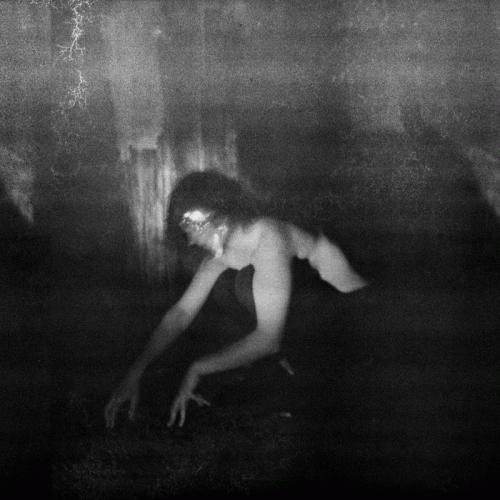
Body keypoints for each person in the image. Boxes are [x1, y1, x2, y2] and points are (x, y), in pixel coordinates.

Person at [105, 170, 368, 428]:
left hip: (357, 326)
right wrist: (137, 370)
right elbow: (181, 314)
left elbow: (268, 338)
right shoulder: (221, 255)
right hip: (310, 340)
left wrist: (197, 369)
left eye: (192, 224)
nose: (190, 239)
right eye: (184, 229)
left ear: (218, 211)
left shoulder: (268, 236)